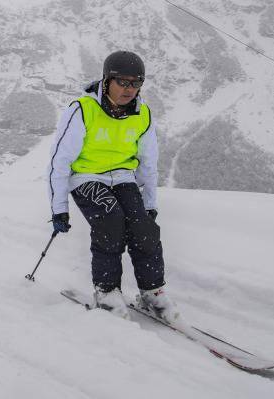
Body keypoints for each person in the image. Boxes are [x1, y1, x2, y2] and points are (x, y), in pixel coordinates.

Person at [47, 51, 180, 323]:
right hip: (86, 177)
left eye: (136, 83)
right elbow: (59, 162)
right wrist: (59, 209)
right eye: (122, 82)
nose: (129, 89)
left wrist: (150, 205)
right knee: (111, 220)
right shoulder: (83, 109)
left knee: (144, 227)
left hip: (122, 178)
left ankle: (151, 291)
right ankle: (106, 292)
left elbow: (148, 164)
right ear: (107, 80)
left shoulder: (142, 115)